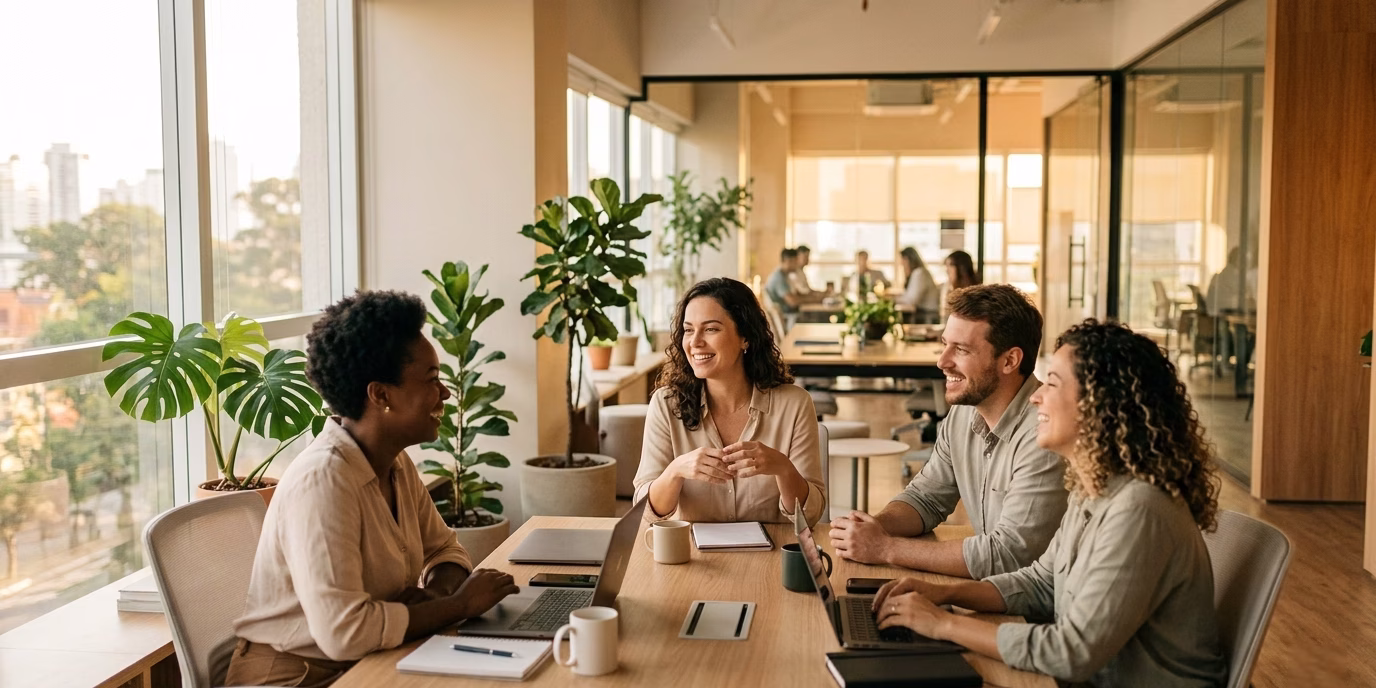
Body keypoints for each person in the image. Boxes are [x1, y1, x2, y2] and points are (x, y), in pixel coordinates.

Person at [871, 320, 1227, 687]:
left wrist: (943, 623)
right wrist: (944, 593)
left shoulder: (1139, 510)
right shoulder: (1095, 487)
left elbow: (1071, 653)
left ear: (1100, 404)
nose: (1036, 396)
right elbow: (1043, 584)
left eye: (1052, 383)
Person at [227, 291, 520, 687]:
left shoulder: (393, 461)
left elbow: (445, 551)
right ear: (381, 395)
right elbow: (345, 633)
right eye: (433, 380)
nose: (446, 394)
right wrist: (458, 605)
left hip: (374, 659)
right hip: (295, 677)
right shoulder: (324, 481)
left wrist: (435, 598)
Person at [830, 285, 1067, 579]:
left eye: (962, 350)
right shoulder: (964, 412)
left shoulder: (1044, 434)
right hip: (993, 590)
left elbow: (1008, 556)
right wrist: (875, 526)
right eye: (945, 344)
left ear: (1009, 361)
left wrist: (884, 548)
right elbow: (926, 498)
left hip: (1035, 609)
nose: (942, 361)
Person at [633, 277, 827, 526]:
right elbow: (644, 513)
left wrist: (783, 468)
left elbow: (810, 516)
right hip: (692, 559)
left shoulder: (795, 404)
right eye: (689, 329)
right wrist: (676, 470)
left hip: (770, 559)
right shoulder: (666, 404)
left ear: (745, 337)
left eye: (711, 329)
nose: (695, 342)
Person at [895, 246, 941, 323]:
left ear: (908, 259)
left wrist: (892, 300)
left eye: (903, 260)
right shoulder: (917, 273)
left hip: (928, 315)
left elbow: (911, 300)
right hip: (924, 313)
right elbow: (909, 296)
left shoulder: (919, 273)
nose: (901, 264)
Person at [941, 250, 980, 318]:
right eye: (946, 266)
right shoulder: (948, 288)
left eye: (951, 265)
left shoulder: (973, 295)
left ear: (961, 268)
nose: (947, 270)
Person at [764, 248, 801, 319]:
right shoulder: (779, 278)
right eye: (796, 262)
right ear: (788, 261)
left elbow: (796, 294)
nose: (797, 265)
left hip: (788, 315)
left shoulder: (784, 275)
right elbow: (792, 302)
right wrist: (815, 300)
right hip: (787, 317)